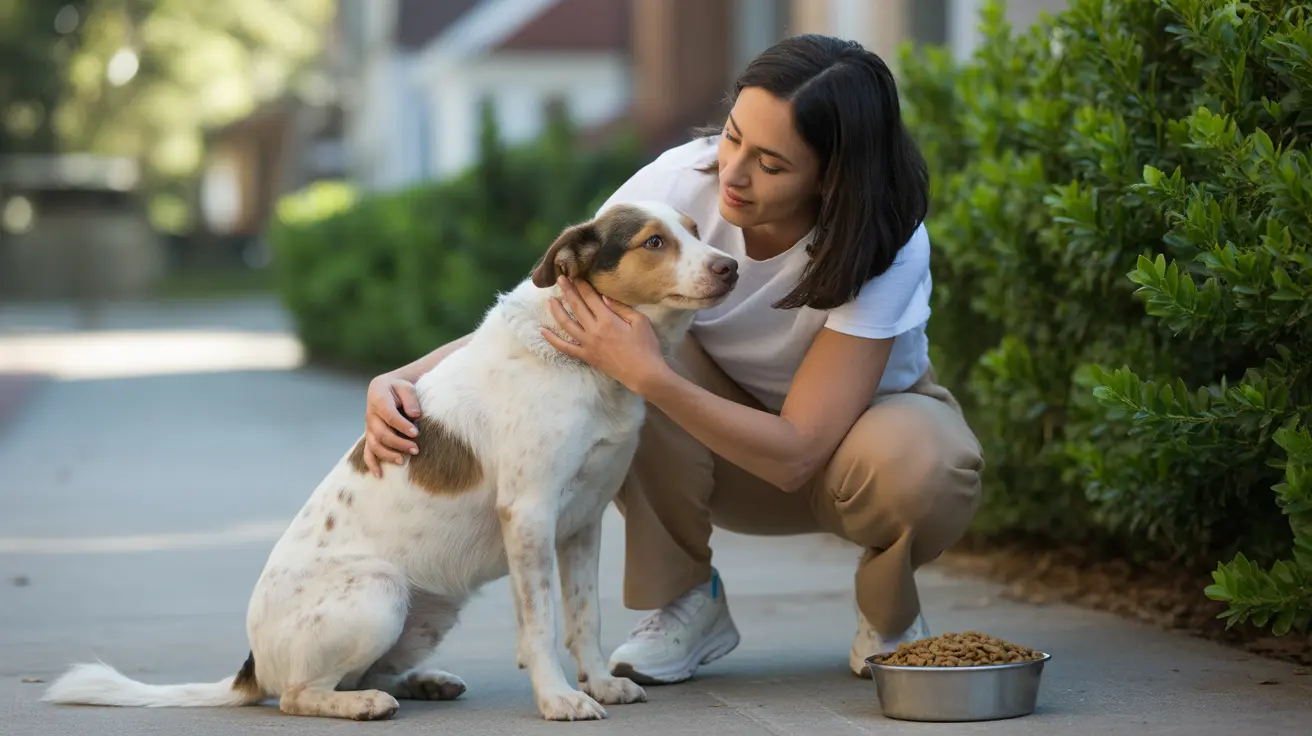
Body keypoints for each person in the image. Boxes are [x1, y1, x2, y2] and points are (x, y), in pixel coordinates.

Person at [357, 34, 983, 685]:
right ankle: (685, 601)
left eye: (771, 164)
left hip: (847, 455)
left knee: (926, 464)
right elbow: (547, 322)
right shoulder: (676, 183)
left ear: (834, 175)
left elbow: (799, 451)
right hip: (710, 453)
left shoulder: (887, 242)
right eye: (735, 135)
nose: (734, 172)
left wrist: (649, 375)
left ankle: (889, 616)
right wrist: (404, 380)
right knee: (610, 351)